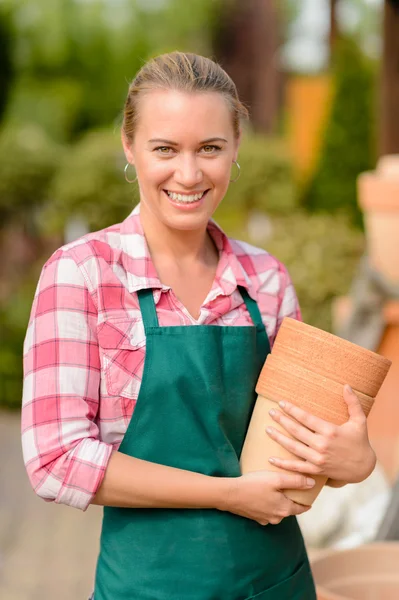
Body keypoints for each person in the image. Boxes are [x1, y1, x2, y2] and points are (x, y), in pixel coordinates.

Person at [21, 52, 376, 600]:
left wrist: (353, 462)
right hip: (147, 587)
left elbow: (292, 447)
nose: (188, 175)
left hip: (275, 583)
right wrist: (226, 494)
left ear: (235, 148)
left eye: (210, 148)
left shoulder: (265, 279)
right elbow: (56, 461)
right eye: (165, 148)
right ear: (129, 146)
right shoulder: (82, 275)